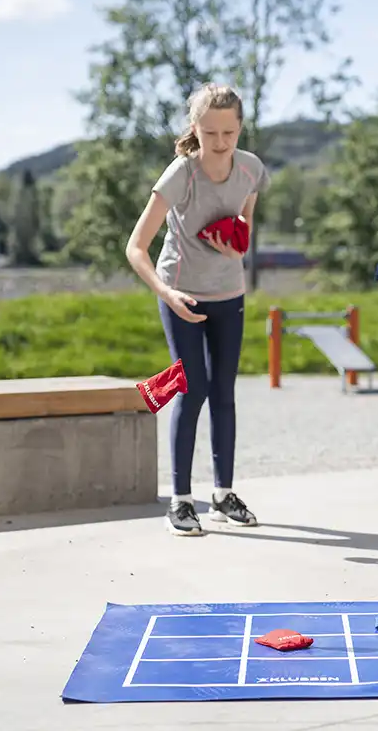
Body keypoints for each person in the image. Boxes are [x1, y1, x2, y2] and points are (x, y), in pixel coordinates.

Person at [125, 82, 270, 537]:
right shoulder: (180, 175)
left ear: (240, 128)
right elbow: (135, 248)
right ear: (196, 129)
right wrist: (167, 294)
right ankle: (181, 501)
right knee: (193, 388)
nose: (221, 143)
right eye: (210, 134)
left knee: (224, 391)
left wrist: (236, 242)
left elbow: (245, 224)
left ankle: (223, 495)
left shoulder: (251, 170)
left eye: (229, 133)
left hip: (230, 295)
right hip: (182, 296)